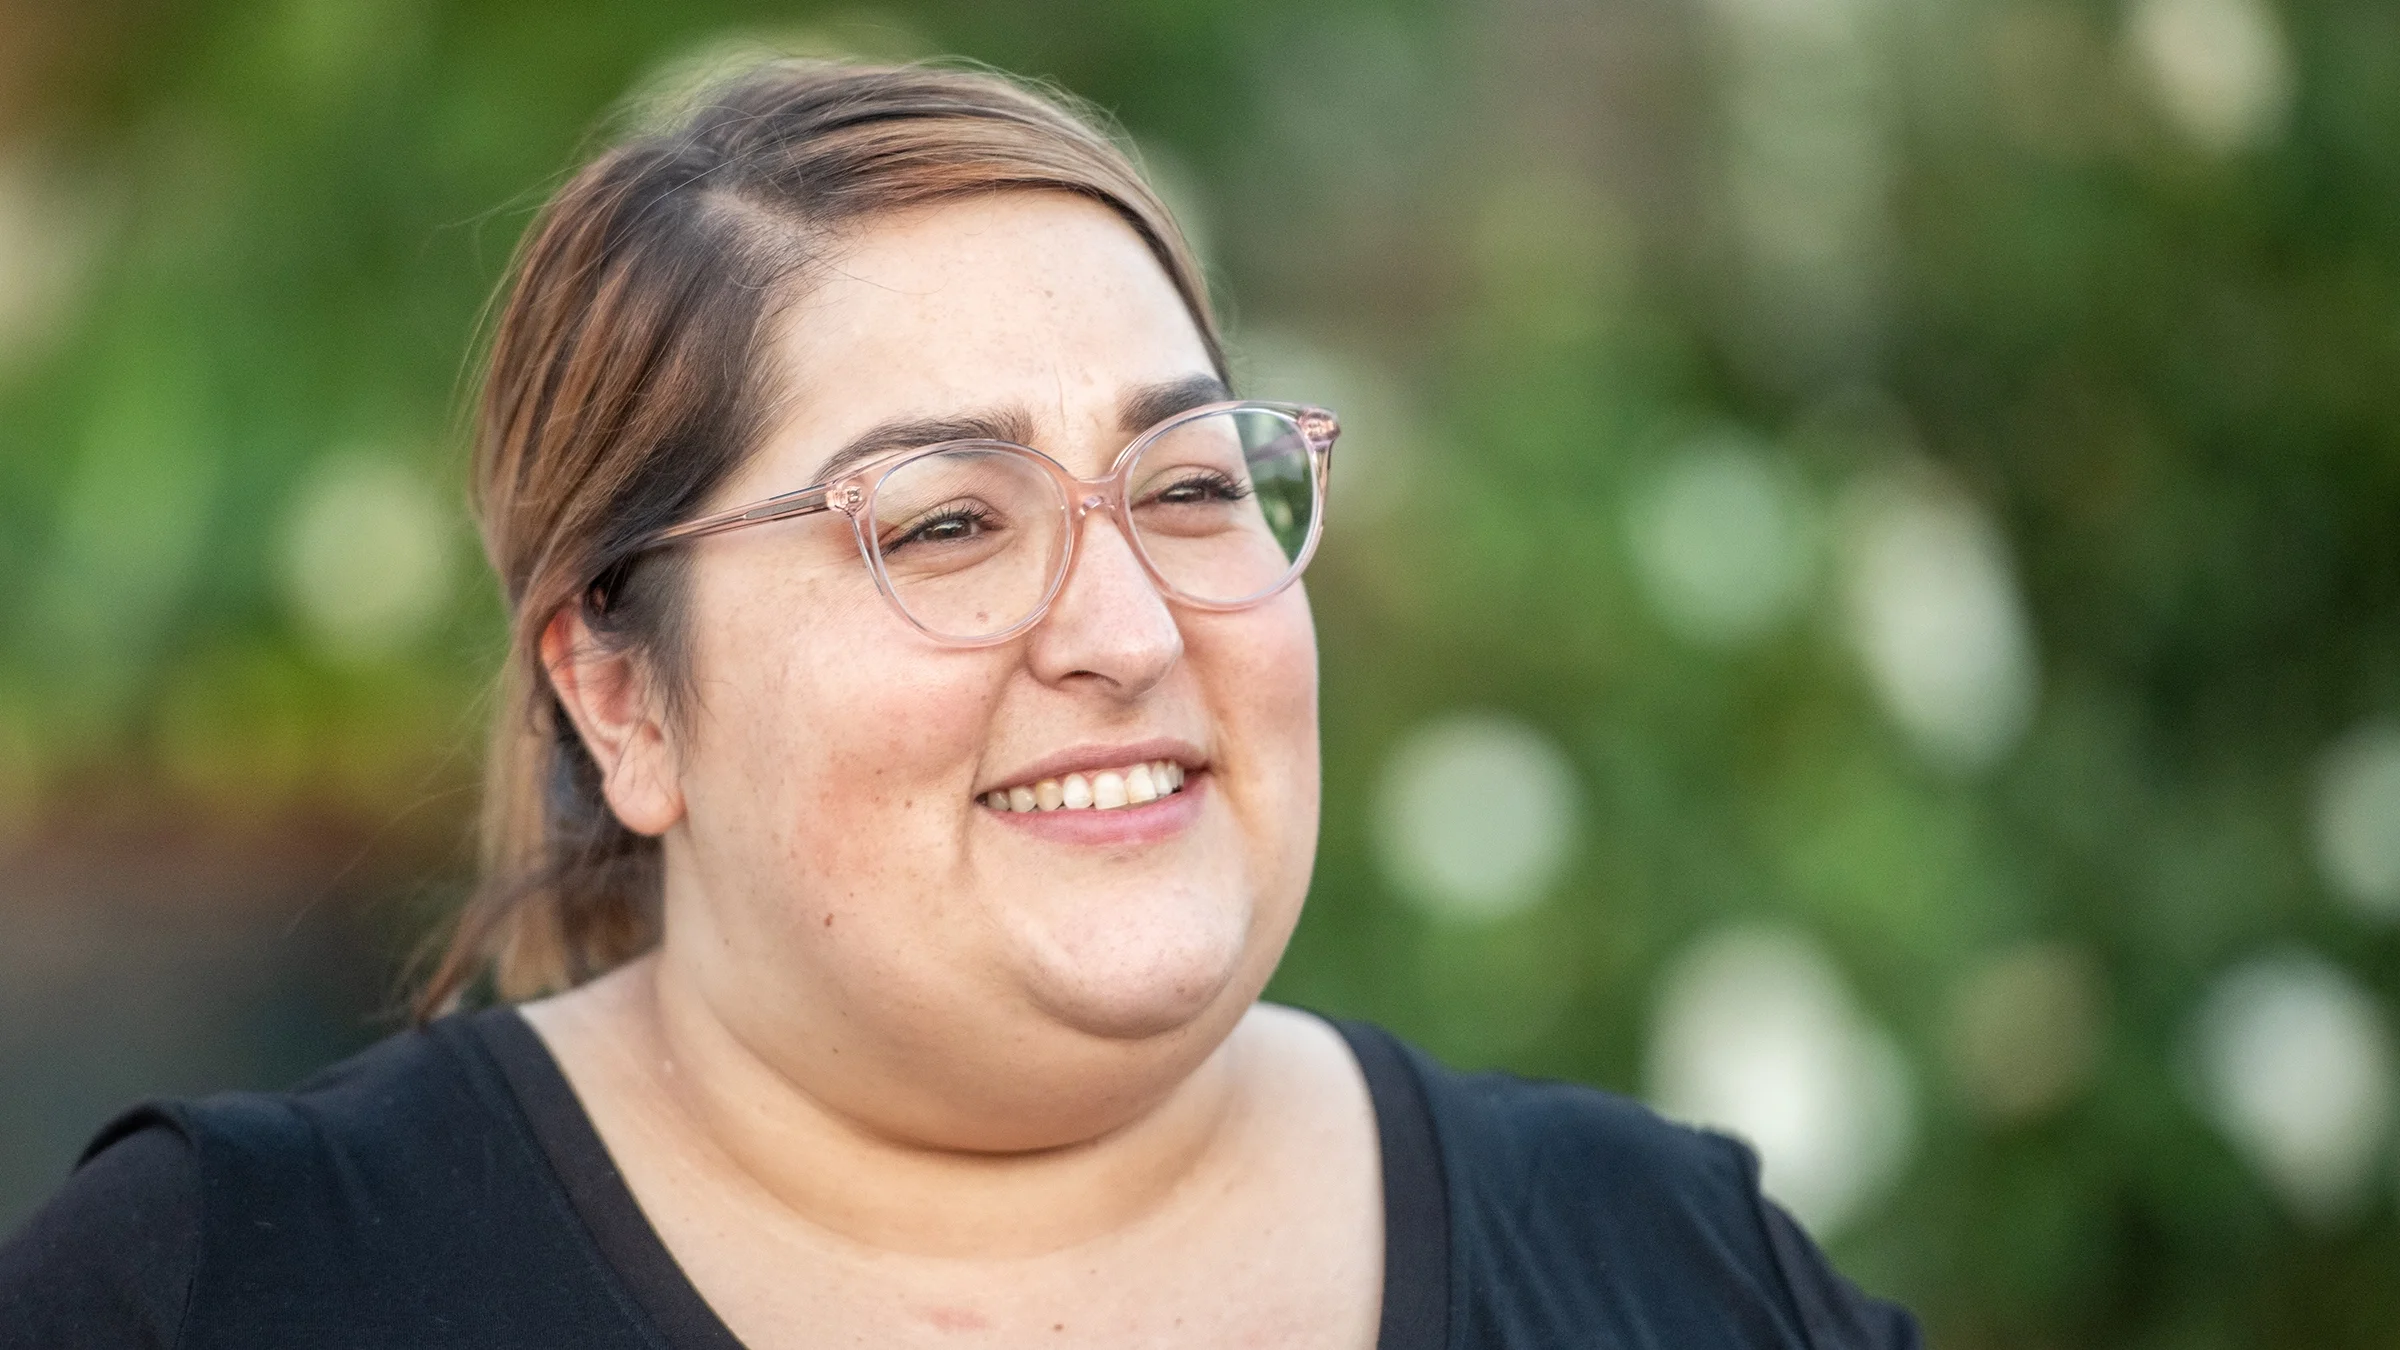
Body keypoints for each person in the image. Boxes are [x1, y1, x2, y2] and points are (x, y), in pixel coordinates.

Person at [0, 60, 1918, 1349]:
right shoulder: (229, 1287)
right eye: (943, 521)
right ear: (619, 697)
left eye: (1184, 485)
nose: (1125, 627)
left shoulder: (1673, 1266)